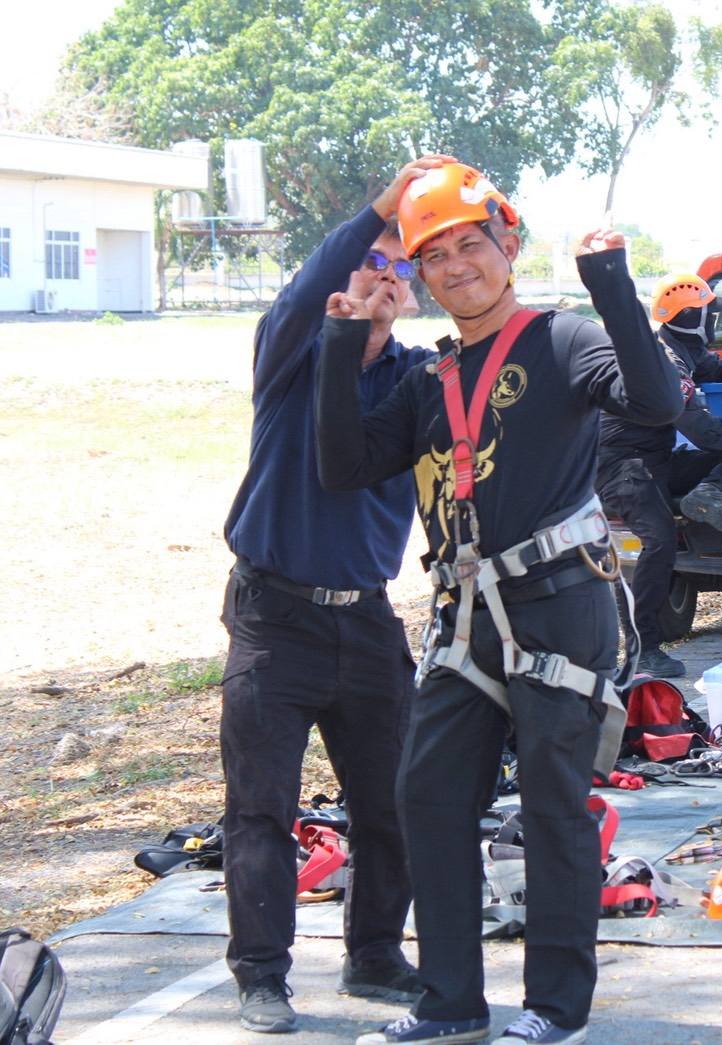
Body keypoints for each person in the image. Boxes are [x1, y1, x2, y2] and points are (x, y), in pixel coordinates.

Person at [315, 161, 680, 1045]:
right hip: (466, 616)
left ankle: (556, 1007)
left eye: (469, 245)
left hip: (559, 604)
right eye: (434, 255)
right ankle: (451, 1003)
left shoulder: (561, 341)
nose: (455, 267)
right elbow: (343, 465)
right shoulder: (429, 378)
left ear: (507, 245)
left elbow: (656, 403)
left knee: (552, 807)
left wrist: (611, 284)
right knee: (427, 797)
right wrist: (341, 341)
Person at [218, 157, 450, 1034]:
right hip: (274, 617)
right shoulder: (292, 357)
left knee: (396, 799)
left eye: (400, 269)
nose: (383, 278)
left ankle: (375, 955)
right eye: (371, 262)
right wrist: (382, 207)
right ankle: (261, 976)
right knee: (261, 808)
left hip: (367, 619)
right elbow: (309, 285)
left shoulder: (419, 381)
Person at [596, 273, 722, 678]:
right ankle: (643, 651)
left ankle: (709, 493)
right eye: (710, 312)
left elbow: (715, 366)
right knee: (658, 540)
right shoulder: (664, 362)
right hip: (621, 466)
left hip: (654, 459)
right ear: (692, 316)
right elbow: (700, 430)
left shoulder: (682, 348)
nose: (715, 319)